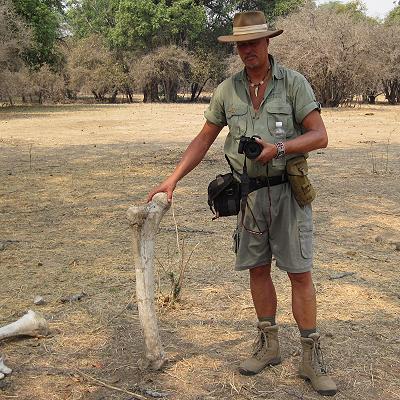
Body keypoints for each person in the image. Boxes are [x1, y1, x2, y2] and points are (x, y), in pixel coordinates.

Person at [147, 10, 337, 397]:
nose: (247, 50)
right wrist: (172, 180)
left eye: (253, 42)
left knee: (299, 273)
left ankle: (310, 356)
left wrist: (279, 147)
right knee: (256, 270)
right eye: (241, 44)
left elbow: (320, 136)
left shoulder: (293, 84)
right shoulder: (227, 90)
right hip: (249, 195)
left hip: (288, 190)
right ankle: (268, 345)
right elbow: (203, 140)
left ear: (268, 42)